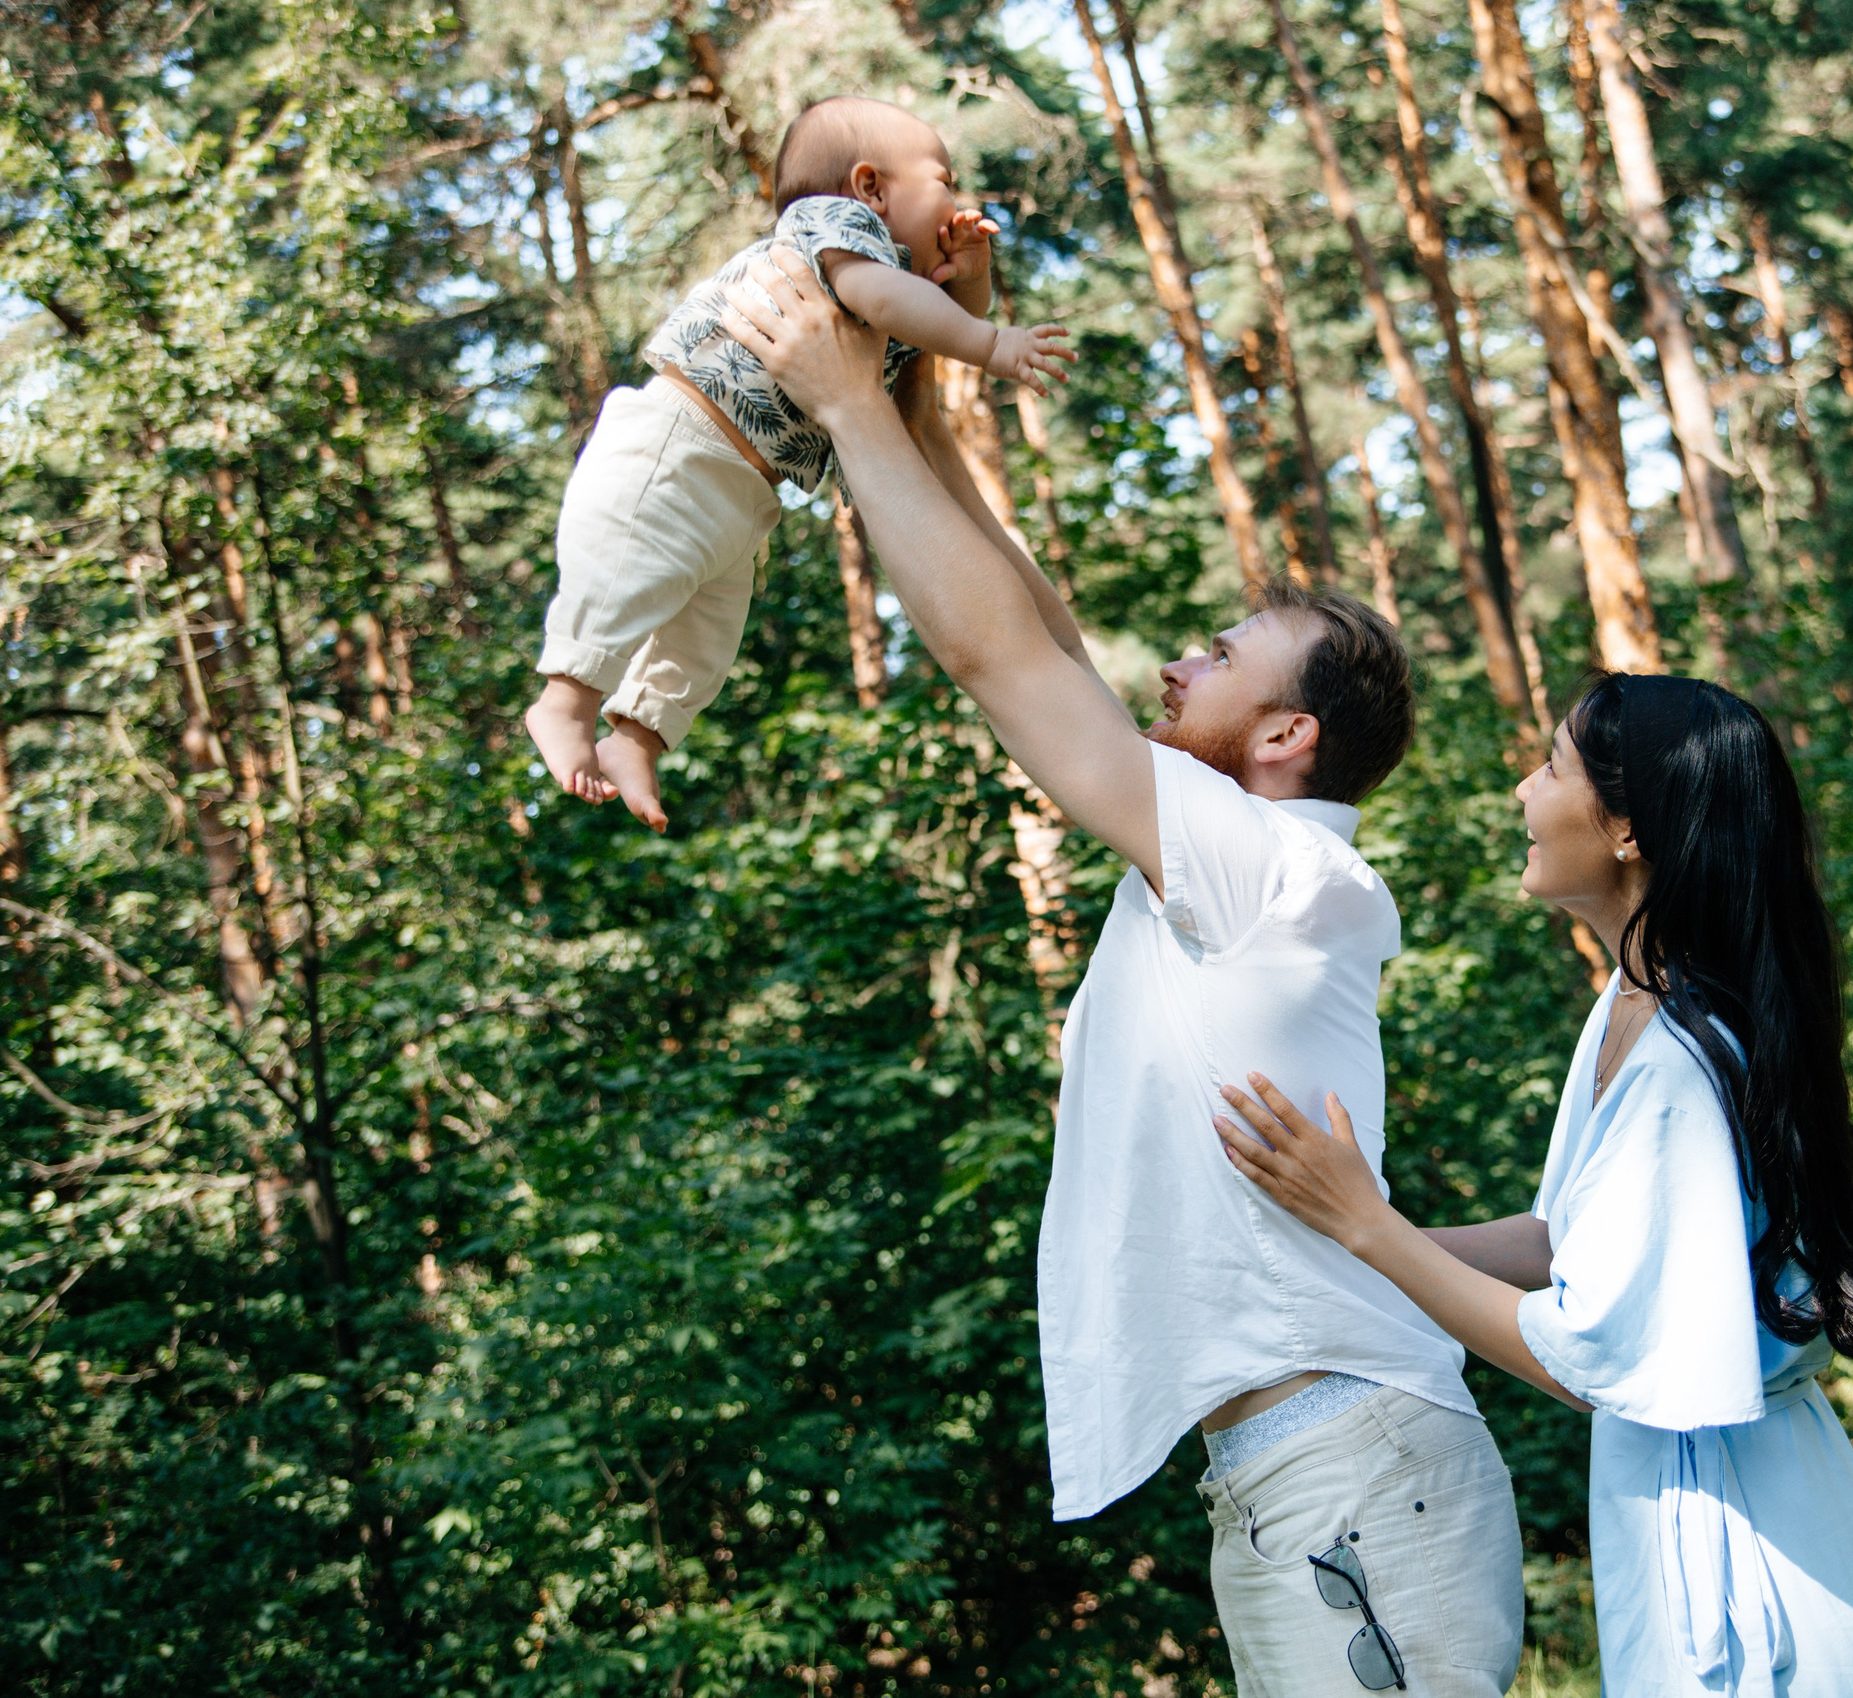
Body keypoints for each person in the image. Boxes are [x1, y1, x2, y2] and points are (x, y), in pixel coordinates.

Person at [710, 246, 1527, 1695]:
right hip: (1315, 1469)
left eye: (1216, 655)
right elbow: (1040, 635)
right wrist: (932, 411)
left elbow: (999, 661)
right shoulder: (1231, 864)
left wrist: (848, 410)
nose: (1171, 670)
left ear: (1285, 739)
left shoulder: (1272, 870)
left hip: (1350, 1467)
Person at [1216, 675, 1853, 1698]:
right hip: (1710, 1505)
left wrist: (1369, 1228)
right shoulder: (1634, 1006)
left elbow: (1586, 1354)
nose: (1521, 789)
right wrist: (1332, 1228)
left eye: (1551, 765)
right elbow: (1563, 1244)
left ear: (1630, 826)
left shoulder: (1683, 1055)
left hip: (1755, 1546)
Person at [522, 95, 1073, 833]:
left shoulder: (901, 292)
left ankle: (638, 736)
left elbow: (934, 321)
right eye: (943, 180)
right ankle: (565, 700)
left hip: (744, 491)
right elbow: (902, 305)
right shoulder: (838, 229)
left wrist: (970, 271)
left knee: (704, 640)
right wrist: (994, 343)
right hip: (678, 445)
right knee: (626, 573)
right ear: (871, 186)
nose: (957, 200)